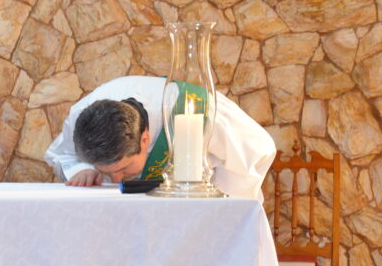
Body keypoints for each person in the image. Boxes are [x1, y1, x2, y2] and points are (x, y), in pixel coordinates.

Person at [44, 76, 276, 200]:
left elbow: (258, 148)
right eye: (107, 171)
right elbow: (59, 155)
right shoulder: (82, 118)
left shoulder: (195, 109)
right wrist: (80, 169)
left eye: (124, 169)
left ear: (144, 139)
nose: (116, 180)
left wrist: (214, 203)